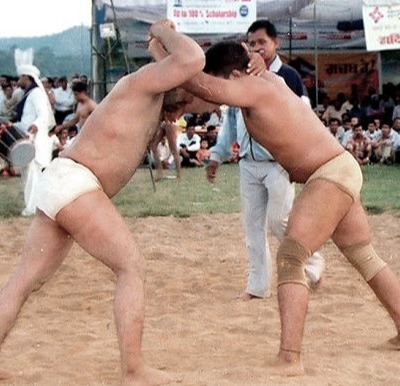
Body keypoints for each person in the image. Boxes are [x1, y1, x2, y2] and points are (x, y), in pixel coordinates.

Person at [0, 18, 205, 385]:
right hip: (76, 181)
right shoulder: (142, 83)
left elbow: (177, 66)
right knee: (131, 267)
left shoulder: (153, 97)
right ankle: (134, 371)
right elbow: (191, 58)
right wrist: (162, 29)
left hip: (62, 182)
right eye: (187, 101)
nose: (185, 109)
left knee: (23, 282)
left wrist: (158, 46)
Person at [181, 40, 400, 376]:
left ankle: (290, 357)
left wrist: (167, 42)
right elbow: (201, 91)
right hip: (337, 169)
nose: (221, 91)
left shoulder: (254, 87)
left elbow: (201, 83)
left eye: (225, 82)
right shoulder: (268, 81)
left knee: (291, 256)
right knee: (364, 256)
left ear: (237, 75)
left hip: (328, 173)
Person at [206, 19, 325, 301]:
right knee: (252, 227)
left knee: (278, 221)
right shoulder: (239, 77)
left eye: (262, 42)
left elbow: (303, 117)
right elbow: (230, 122)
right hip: (248, 163)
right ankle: (257, 287)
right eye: (252, 42)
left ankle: (313, 259)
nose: (257, 48)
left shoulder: (288, 76)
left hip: (279, 163)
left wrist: (300, 157)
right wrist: (216, 155)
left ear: (276, 43)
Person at [12, 64, 56, 216]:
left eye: (21, 77)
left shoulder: (36, 93)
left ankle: (32, 207)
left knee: (32, 173)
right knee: (28, 173)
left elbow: (42, 115)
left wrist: (35, 126)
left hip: (34, 138)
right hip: (26, 136)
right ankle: (33, 205)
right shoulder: (29, 94)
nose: (19, 80)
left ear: (26, 78)